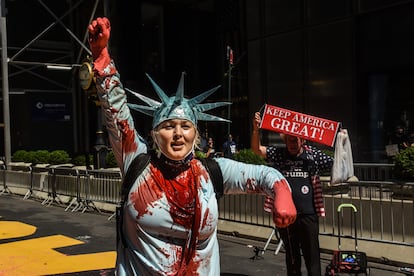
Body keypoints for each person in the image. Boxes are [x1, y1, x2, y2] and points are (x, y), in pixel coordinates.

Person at [88, 17, 297, 275]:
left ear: (195, 135)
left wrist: (282, 193)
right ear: (155, 134)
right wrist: (102, 59)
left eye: (185, 127)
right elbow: (116, 114)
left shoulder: (212, 172)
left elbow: (265, 175)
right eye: (168, 126)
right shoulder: (136, 161)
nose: (177, 134)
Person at [251, 111, 334, 276]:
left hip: (308, 214)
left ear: (302, 139)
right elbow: (257, 150)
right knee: (292, 256)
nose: (292, 144)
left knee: (312, 256)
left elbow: (336, 164)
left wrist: (342, 141)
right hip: (287, 215)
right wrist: (256, 130)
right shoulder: (280, 153)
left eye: (295, 140)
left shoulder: (313, 154)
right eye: (289, 140)